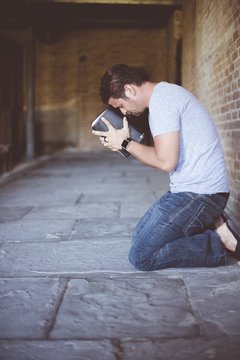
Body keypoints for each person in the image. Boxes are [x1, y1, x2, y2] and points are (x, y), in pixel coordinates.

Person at [92, 64, 240, 271]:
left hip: (201, 195)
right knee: (138, 238)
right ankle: (211, 223)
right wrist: (126, 144)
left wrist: (126, 144)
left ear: (129, 90)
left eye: (120, 106)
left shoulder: (163, 101)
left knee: (142, 256)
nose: (124, 112)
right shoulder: (164, 95)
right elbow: (162, 159)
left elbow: (166, 162)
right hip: (188, 190)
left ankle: (219, 243)